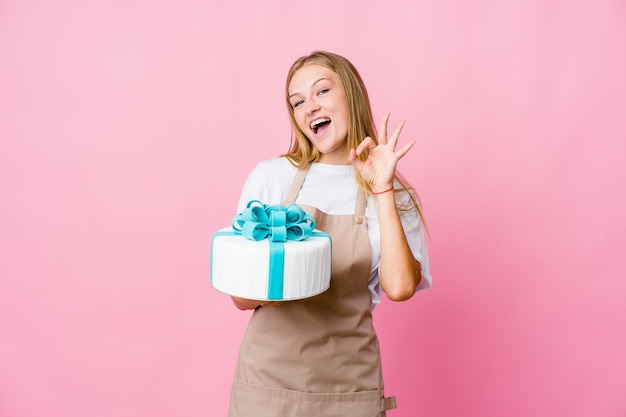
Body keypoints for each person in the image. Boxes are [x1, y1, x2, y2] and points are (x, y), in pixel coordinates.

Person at [227, 51, 432, 417]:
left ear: (350, 95)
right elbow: (241, 297)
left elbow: (400, 288)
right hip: (268, 385)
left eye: (321, 91)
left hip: (349, 388)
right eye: (297, 102)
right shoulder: (271, 177)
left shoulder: (395, 193)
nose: (309, 107)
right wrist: (296, 263)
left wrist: (382, 188)